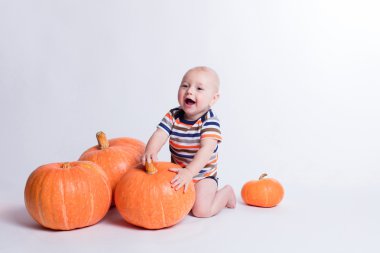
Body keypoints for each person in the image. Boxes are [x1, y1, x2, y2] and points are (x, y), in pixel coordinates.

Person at [142, 66, 236, 218]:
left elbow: (206, 150)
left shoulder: (209, 121)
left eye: (199, 88)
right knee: (162, 201)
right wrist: (151, 151)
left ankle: (226, 193)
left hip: (202, 175)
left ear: (213, 99)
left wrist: (190, 172)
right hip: (178, 172)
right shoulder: (174, 115)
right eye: (185, 85)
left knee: (201, 211)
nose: (190, 91)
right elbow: (160, 133)